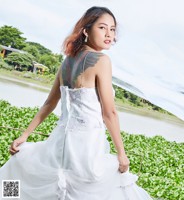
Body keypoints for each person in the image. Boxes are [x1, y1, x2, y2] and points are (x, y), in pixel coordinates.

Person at [0, 6, 153, 200]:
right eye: (102, 27)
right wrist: (121, 153)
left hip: (59, 142)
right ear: (86, 30)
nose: (109, 34)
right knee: (113, 185)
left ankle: (5, 195)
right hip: (86, 146)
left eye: (112, 29)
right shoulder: (101, 60)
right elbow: (109, 113)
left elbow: (49, 103)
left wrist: (25, 135)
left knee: (28, 174)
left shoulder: (67, 62)